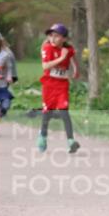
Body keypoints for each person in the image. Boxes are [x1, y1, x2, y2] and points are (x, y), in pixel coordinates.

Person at [37, 23, 81, 153]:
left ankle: (71, 141)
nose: (53, 39)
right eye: (51, 36)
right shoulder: (47, 48)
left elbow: (72, 56)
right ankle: (43, 137)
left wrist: (76, 69)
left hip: (62, 86)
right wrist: (61, 57)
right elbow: (45, 66)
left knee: (64, 112)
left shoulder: (68, 49)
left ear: (64, 39)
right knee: (47, 113)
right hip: (49, 86)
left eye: (56, 36)